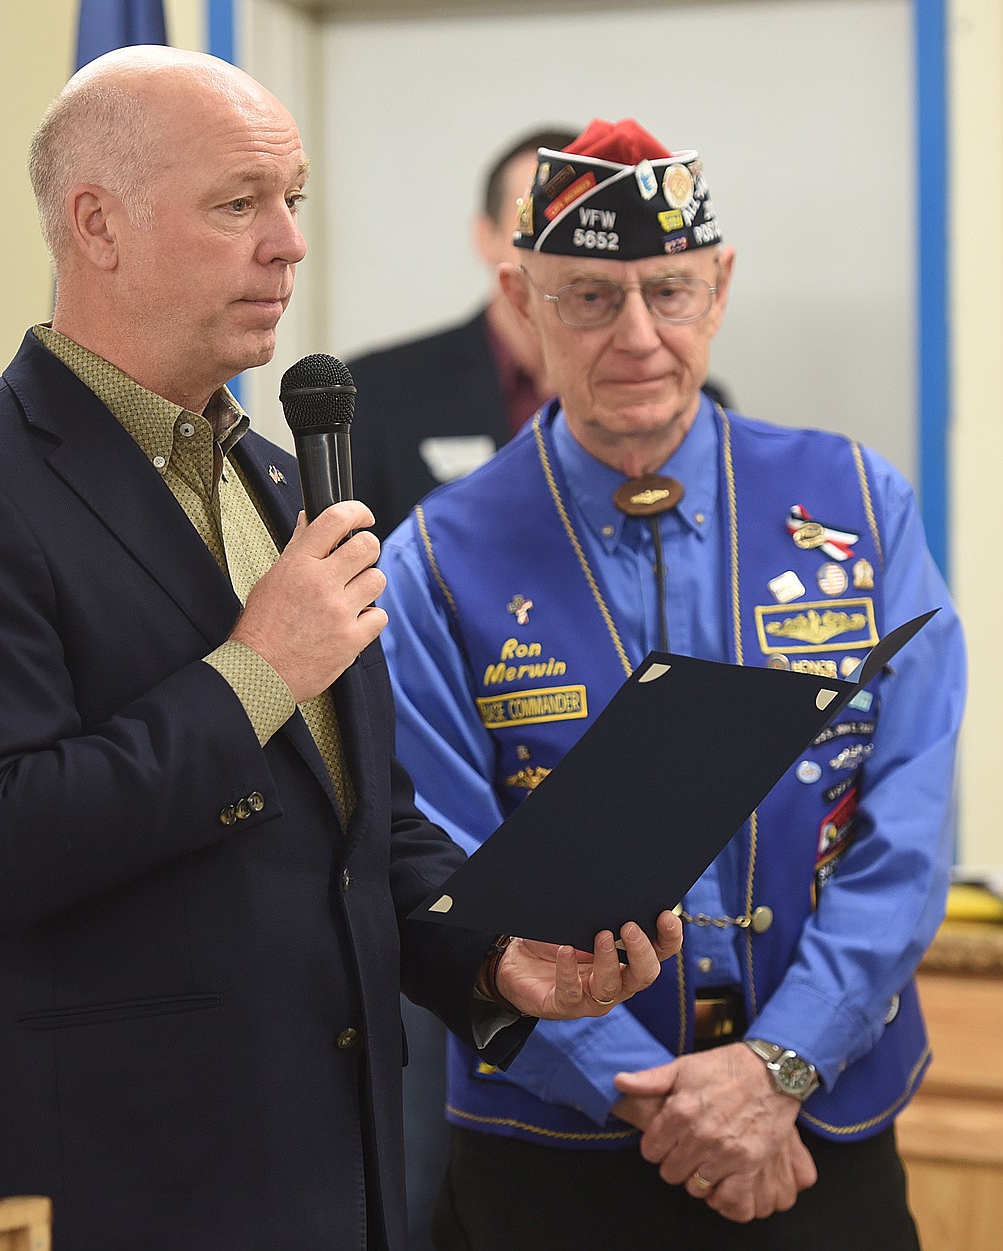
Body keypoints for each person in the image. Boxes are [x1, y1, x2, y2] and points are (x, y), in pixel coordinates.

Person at [0, 61, 682, 1251]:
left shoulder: (282, 476)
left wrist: (495, 957)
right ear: (97, 224)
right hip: (119, 1192)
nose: (288, 245)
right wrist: (257, 674)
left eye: (293, 200)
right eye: (240, 203)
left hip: (340, 1180)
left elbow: (358, 831)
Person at [377, 118, 966, 1250]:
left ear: (722, 284)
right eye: (590, 297)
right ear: (520, 295)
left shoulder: (857, 500)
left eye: (671, 290)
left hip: (820, 1132)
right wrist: (661, 1102)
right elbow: (442, 862)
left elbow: (910, 822)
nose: (639, 334)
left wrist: (774, 1071)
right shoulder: (436, 559)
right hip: (555, 1157)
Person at [349, 127, 732, 542]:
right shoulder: (380, 392)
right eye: (531, 224)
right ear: (487, 238)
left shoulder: (680, 395)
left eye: (583, 224)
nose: (639, 339)